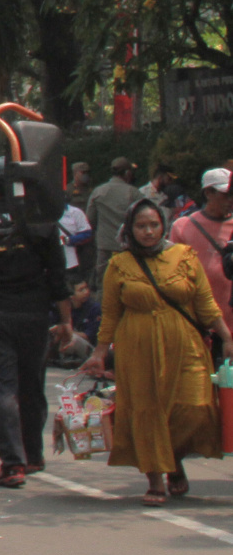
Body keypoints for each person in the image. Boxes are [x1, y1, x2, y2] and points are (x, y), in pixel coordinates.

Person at [81, 198, 231, 505]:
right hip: (138, 348)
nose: (148, 232)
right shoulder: (119, 265)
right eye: (141, 226)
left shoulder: (184, 256)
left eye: (154, 225)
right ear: (130, 229)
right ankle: (155, 478)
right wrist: (98, 353)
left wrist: (227, 337)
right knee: (147, 412)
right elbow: (110, 314)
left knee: (195, 406)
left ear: (163, 226)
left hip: (186, 345)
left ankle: (173, 460)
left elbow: (205, 303)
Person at [0, 174, 73, 486]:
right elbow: (59, 277)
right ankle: (33, 455)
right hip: (34, 315)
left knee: (3, 387)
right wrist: (66, 321)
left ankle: (12, 463)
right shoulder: (42, 224)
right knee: (31, 385)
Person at [171, 167, 233, 325]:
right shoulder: (182, 227)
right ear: (208, 193)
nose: (231, 199)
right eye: (225, 194)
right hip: (200, 323)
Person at [86, 158, 143, 292]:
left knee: (104, 286)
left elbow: (89, 221)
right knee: (129, 284)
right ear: (128, 173)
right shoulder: (133, 193)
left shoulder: (98, 192)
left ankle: (103, 312)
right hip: (128, 248)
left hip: (104, 248)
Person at [52, 279, 102, 368]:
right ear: (71, 296)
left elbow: (88, 336)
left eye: (86, 288)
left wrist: (67, 332)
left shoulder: (94, 308)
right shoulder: (63, 308)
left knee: (72, 337)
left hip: (88, 348)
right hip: (64, 343)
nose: (86, 292)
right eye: (81, 290)